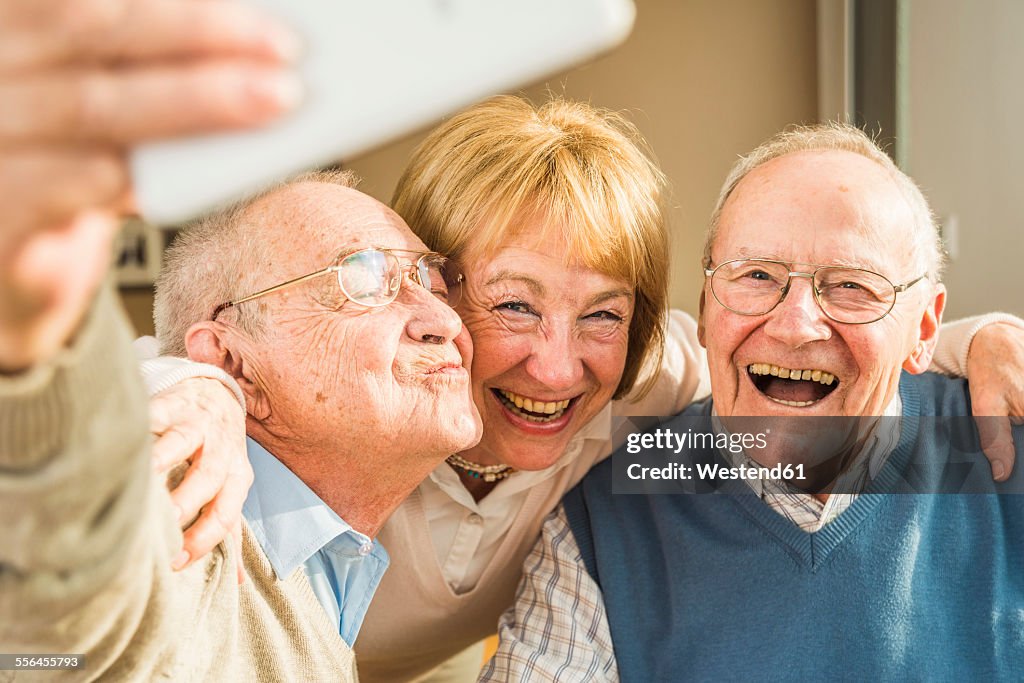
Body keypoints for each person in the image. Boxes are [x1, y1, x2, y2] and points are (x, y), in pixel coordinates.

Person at [143, 96, 1024, 682]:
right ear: (430, 296)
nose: (559, 369)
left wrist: (978, 339)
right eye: (513, 305)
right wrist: (194, 383)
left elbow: (825, 359)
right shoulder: (327, 402)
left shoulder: (647, 392)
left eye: (603, 315)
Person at [0, 1, 482, 679]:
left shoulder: (335, 576)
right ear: (231, 361)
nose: (443, 318)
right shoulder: (183, 520)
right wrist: (37, 315)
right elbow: (65, 583)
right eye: (364, 277)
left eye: (429, 277)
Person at [482, 123, 1024, 681]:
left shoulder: (1005, 448)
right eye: (757, 275)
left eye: (852, 286)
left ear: (926, 326)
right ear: (705, 306)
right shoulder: (605, 519)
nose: (794, 326)